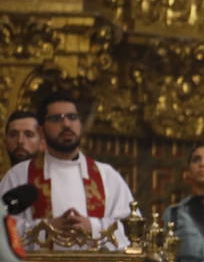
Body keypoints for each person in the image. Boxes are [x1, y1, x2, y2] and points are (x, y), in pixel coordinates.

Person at [0, 92, 134, 250]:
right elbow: (2, 229)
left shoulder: (107, 176)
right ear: (41, 130)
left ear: (80, 125)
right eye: (57, 119)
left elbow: (132, 228)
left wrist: (93, 226)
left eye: (72, 117)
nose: (66, 124)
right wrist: (46, 228)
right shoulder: (19, 175)